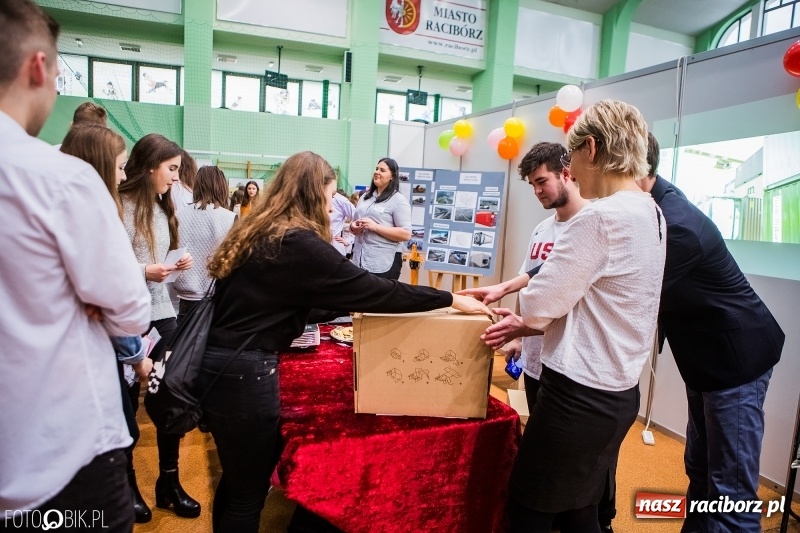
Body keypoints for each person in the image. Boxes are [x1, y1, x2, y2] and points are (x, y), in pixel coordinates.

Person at [200, 150, 490, 532]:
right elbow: (374, 291)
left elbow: (287, 300)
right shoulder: (299, 241)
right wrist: (450, 297)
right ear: (314, 193)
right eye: (329, 195)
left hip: (221, 366)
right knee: (247, 494)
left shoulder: (261, 229)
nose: (331, 204)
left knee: (239, 482)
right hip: (244, 373)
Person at [0, 2, 150, 531]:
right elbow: (131, 308)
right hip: (58, 451)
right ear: (38, 68)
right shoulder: (58, 178)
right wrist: (94, 301)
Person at [485, 100, 665, 533]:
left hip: (578, 395)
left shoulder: (599, 218)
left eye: (571, 161)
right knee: (580, 507)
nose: (573, 176)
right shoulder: (650, 209)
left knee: (528, 508)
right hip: (619, 391)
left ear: (591, 148)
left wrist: (518, 307)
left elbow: (541, 306)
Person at [460, 142, 618, 532]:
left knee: (578, 478)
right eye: (532, 184)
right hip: (537, 359)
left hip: (578, 370)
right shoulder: (542, 229)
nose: (538, 191)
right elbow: (535, 281)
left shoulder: (595, 224)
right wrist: (519, 333)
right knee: (550, 468)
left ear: (569, 171)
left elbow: (565, 299)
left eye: (542, 181)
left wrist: (522, 321)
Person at [636, 133, 784, 533]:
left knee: (730, 490)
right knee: (700, 469)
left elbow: (626, 286)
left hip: (735, 362)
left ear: (632, 166)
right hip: (704, 361)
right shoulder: (652, 205)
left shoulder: (677, 223)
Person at [59, 123, 155, 523]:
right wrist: (136, 356)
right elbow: (129, 309)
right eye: (117, 167)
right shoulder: (95, 213)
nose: (122, 176)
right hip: (88, 367)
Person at [117, 133, 200, 519]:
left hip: (163, 314)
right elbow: (107, 268)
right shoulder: (118, 207)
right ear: (150, 166)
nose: (176, 179)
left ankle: (168, 482)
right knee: (127, 405)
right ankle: (128, 485)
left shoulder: (162, 206)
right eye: (171, 170)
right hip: (129, 319)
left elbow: (154, 263)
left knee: (169, 399)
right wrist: (144, 270)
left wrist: (172, 263)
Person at [174, 165, 236, 321]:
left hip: (184, 295)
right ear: (221, 186)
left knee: (185, 342)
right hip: (217, 295)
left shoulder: (177, 215)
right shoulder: (229, 217)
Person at [350, 157, 411, 280]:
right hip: (359, 261)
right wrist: (353, 227)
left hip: (383, 264)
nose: (377, 172)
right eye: (376, 169)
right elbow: (354, 222)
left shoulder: (399, 200)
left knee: (380, 299)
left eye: (382, 170)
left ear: (392, 176)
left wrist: (375, 227)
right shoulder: (365, 198)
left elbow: (406, 234)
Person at [330, 188, 356, 255]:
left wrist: (349, 240)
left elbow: (359, 219)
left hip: (334, 247)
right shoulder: (311, 196)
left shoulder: (340, 199)